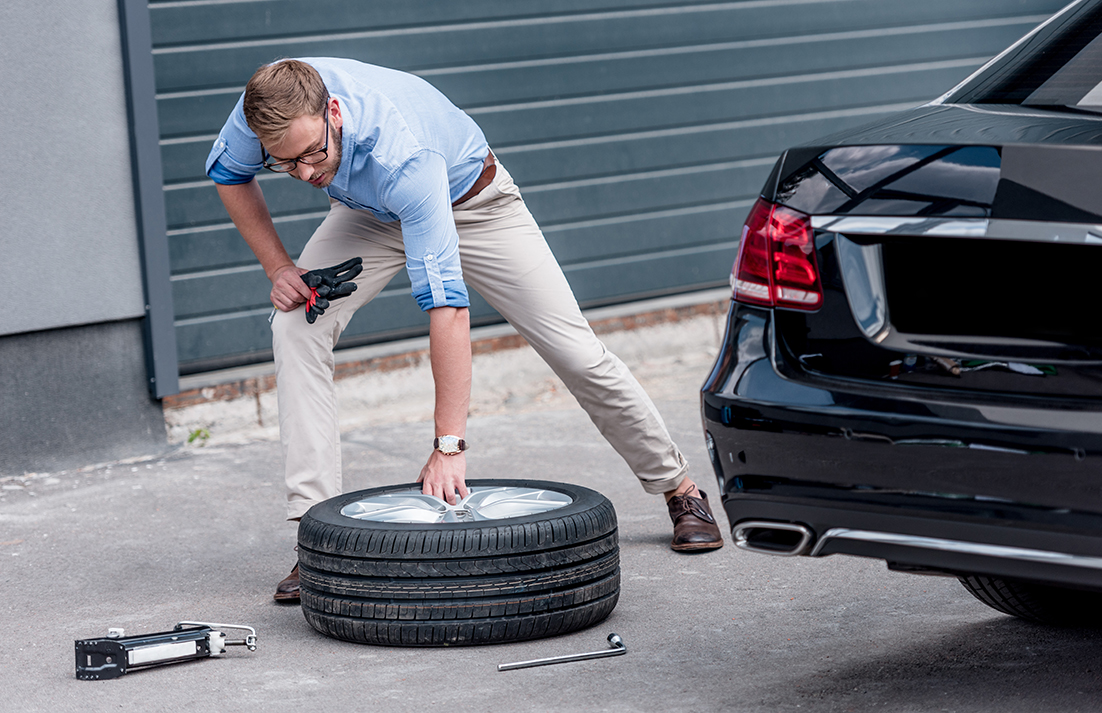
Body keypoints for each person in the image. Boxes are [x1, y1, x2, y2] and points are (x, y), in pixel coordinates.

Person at [205, 58, 723, 602]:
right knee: (295, 324)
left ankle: (679, 488)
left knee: (575, 352)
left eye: (315, 153)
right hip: (369, 215)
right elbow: (228, 175)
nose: (307, 174)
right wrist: (279, 269)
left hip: (475, 205)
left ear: (333, 112)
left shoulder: (403, 152)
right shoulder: (262, 109)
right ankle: (317, 540)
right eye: (287, 164)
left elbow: (448, 309)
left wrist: (449, 446)